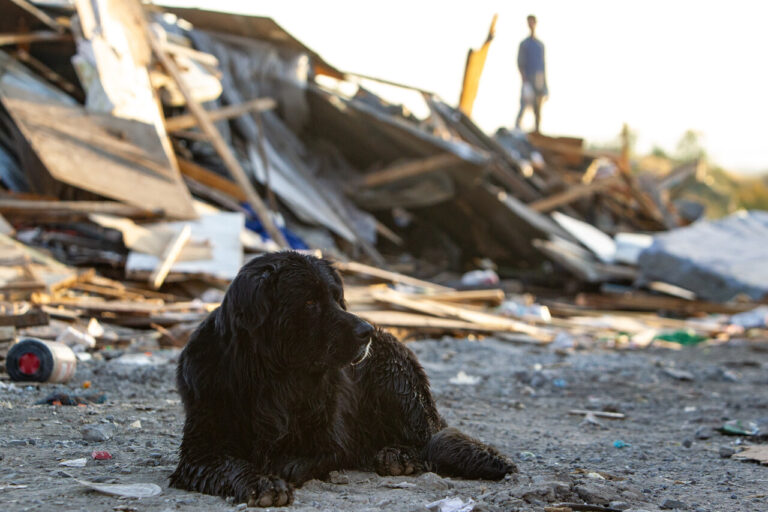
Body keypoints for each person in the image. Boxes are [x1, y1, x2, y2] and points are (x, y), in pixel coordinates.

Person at [515, 15, 548, 132]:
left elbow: (543, 66)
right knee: (524, 104)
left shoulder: (540, 45)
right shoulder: (524, 44)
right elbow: (520, 63)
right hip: (528, 78)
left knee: (537, 108)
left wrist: (545, 86)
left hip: (539, 79)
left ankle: (537, 130)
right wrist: (525, 81)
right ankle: (517, 127)